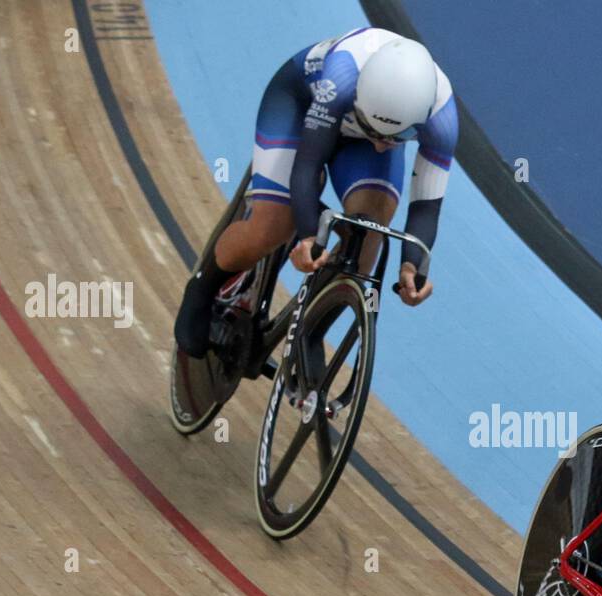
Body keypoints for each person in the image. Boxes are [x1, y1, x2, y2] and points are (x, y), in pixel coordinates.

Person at [174, 28, 458, 357]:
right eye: (376, 131)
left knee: (369, 231)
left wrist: (412, 267)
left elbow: (426, 207)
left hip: (358, 135)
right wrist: (309, 234)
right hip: (298, 104)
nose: (383, 148)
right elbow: (307, 166)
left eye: (400, 137)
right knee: (273, 226)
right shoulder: (342, 74)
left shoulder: (442, 119)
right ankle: (203, 287)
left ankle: (309, 336)